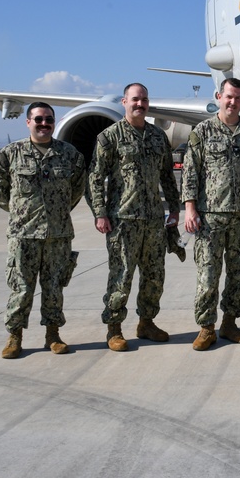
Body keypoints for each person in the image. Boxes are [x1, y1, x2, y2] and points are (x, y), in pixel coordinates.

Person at [0, 102, 86, 359]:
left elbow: (76, 190)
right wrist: (20, 212)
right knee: (21, 287)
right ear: (28, 122)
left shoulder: (70, 154)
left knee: (54, 287)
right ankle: (15, 337)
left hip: (58, 234)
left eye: (49, 120)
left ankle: (52, 335)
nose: (44, 124)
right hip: (23, 235)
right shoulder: (10, 154)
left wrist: (57, 213)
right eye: (39, 119)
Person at [87, 83, 181, 352]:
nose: (140, 104)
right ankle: (114, 328)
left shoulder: (157, 136)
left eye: (144, 100)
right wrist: (100, 213)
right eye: (135, 100)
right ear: (124, 102)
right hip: (122, 219)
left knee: (154, 274)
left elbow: (167, 175)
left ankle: (146, 322)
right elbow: (94, 177)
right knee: (122, 274)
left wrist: (174, 208)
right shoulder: (110, 137)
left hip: (153, 218)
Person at [183, 77, 240, 350]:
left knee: (238, 274)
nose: (233, 102)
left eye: (238, 98)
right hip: (210, 218)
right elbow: (190, 171)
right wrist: (190, 208)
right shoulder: (203, 131)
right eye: (229, 96)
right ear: (219, 96)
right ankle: (206, 327)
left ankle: (229, 323)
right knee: (208, 274)